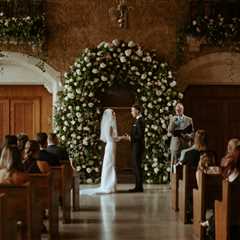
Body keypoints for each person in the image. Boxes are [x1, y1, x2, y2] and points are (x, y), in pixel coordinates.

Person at [80, 108, 120, 195]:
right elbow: (110, 138)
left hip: (112, 145)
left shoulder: (111, 124)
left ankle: (110, 185)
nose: (114, 115)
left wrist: (118, 138)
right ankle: (108, 185)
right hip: (110, 145)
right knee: (110, 165)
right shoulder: (109, 125)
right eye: (113, 114)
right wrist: (121, 138)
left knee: (111, 164)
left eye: (114, 113)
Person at [124, 104, 145, 193]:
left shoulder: (140, 121)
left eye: (132, 110)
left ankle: (139, 187)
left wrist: (130, 138)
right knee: (136, 166)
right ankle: (138, 186)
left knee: (137, 167)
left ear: (137, 111)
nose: (131, 112)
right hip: (136, 146)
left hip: (138, 147)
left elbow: (140, 136)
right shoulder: (137, 120)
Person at [168, 103, 194, 171]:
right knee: (174, 164)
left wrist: (186, 135)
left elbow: (192, 133)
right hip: (175, 145)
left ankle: (185, 180)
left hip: (185, 145)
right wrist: (174, 123)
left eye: (180, 110)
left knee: (185, 166)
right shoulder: (173, 119)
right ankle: (173, 180)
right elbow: (169, 132)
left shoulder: (189, 119)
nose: (178, 111)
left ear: (183, 110)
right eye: (177, 110)